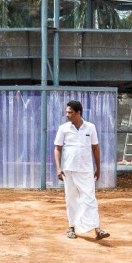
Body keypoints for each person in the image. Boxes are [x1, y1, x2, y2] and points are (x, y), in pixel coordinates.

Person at [54, 100, 109, 241]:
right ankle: (71, 228)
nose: (67, 115)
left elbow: (95, 148)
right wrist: (59, 168)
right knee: (71, 198)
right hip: (69, 170)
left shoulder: (90, 127)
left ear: (78, 113)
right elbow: (57, 148)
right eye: (66, 112)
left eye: (70, 112)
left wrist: (98, 168)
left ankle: (97, 229)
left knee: (89, 198)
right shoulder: (63, 128)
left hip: (86, 170)